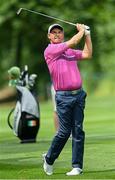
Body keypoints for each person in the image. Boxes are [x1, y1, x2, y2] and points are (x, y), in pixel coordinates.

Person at [43, 23, 92, 176]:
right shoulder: (50, 50)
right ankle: (49, 158)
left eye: (59, 32)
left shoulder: (69, 52)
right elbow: (73, 41)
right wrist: (82, 31)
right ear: (49, 36)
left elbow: (87, 54)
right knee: (64, 132)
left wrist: (88, 36)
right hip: (63, 97)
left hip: (78, 95)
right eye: (53, 33)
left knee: (78, 130)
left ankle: (77, 166)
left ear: (62, 34)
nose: (57, 34)